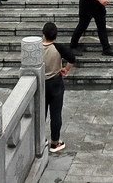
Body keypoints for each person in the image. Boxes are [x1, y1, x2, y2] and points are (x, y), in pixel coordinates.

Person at [41, 22, 76, 154]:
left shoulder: (36, 48)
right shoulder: (58, 47)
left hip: (41, 83)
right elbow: (72, 58)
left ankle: (40, 139)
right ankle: (55, 142)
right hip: (55, 83)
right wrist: (65, 69)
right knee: (55, 114)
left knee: (41, 114)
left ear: (43, 35)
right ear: (55, 35)